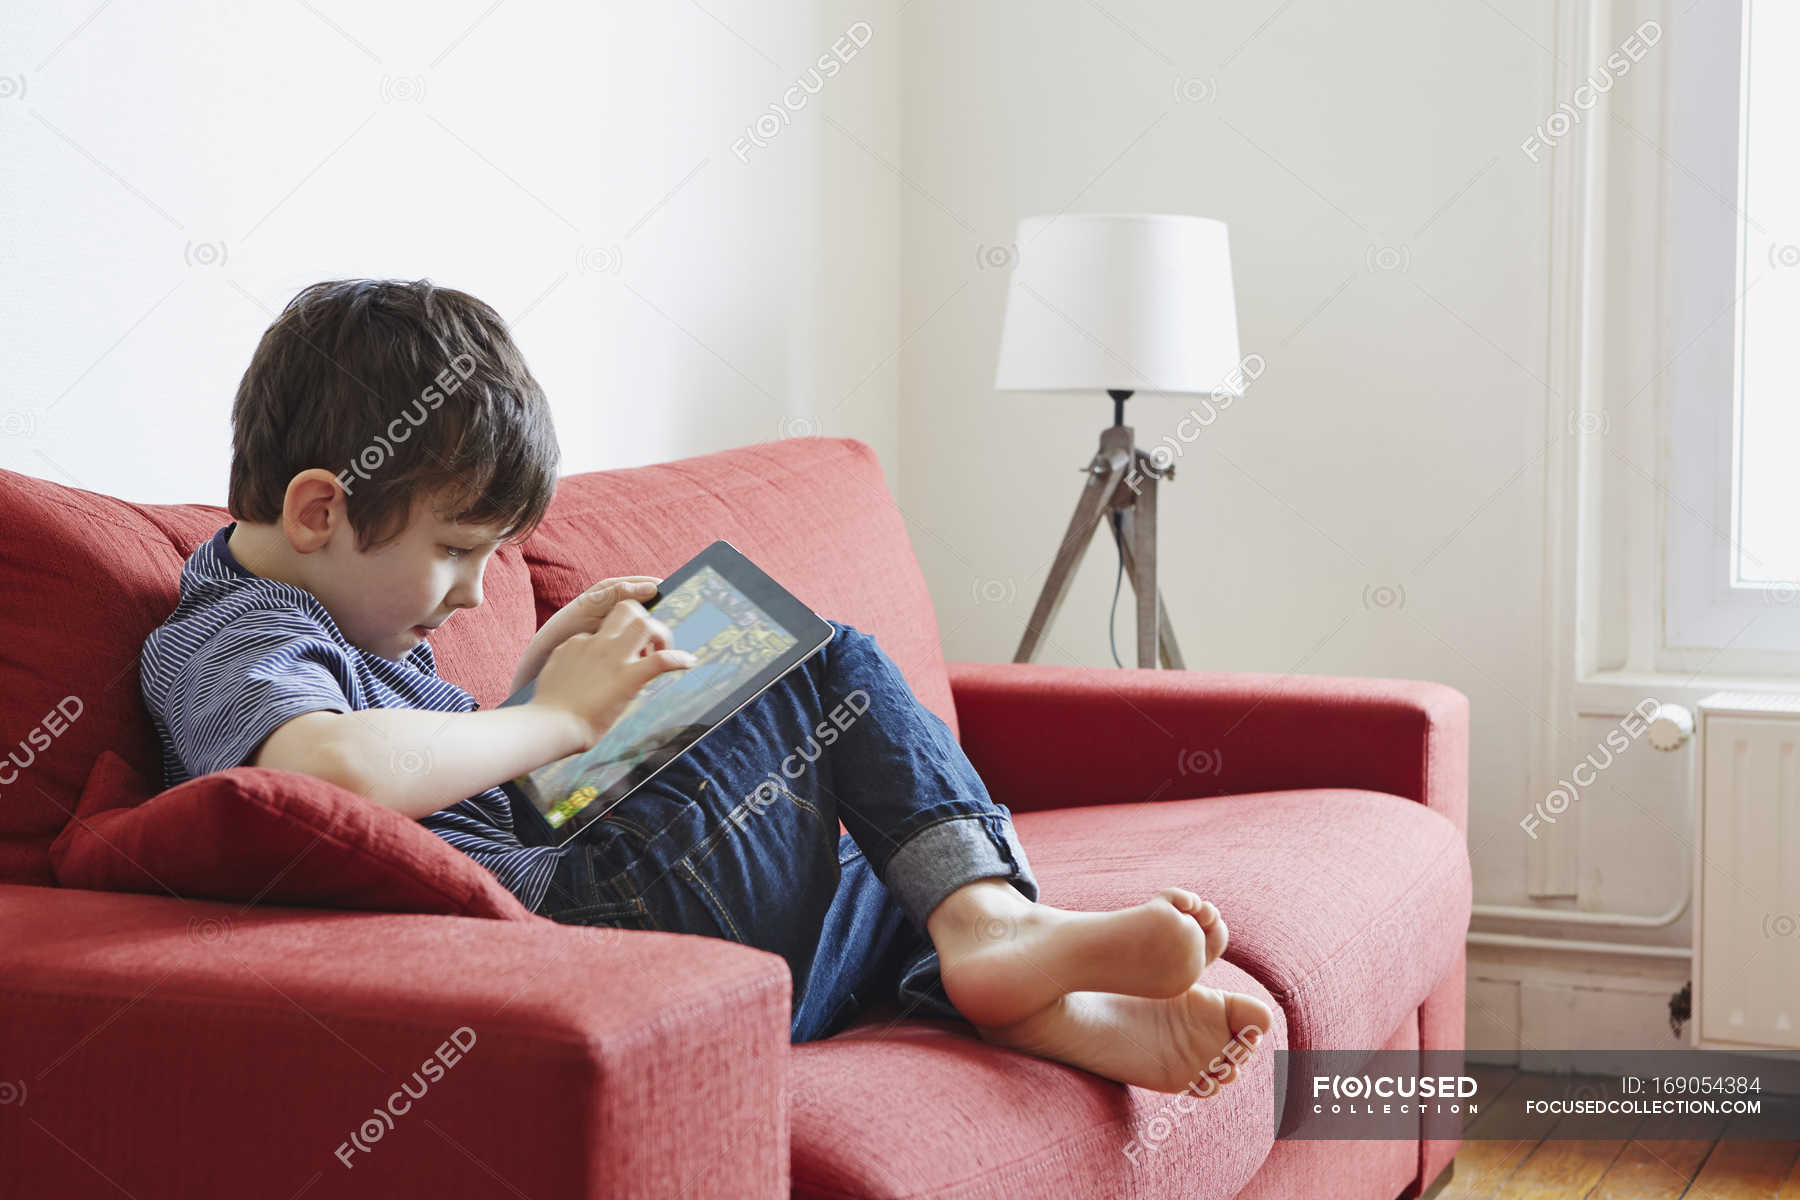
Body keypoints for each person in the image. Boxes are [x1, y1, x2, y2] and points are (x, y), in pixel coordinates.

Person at [140, 277, 1272, 1094]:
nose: (479, 596)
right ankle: (990, 929)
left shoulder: (347, 615)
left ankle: (1034, 996)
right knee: (823, 662)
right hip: (585, 927)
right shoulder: (230, 634)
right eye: (456, 552)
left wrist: (542, 686)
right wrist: (554, 717)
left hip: (597, 890)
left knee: (867, 811)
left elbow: (436, 795)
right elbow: (319, 771)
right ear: (319, 509)